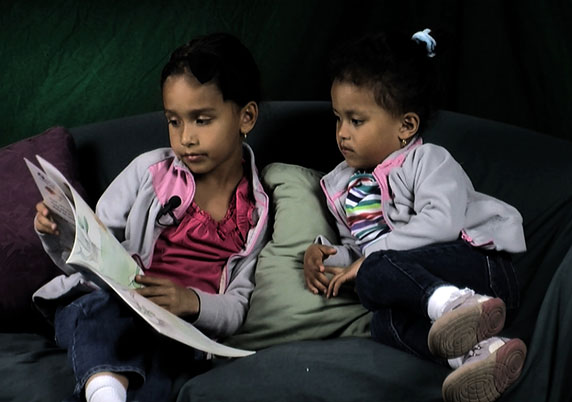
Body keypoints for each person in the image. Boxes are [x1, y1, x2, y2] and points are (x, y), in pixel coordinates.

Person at [33, 32, 268, 402]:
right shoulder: (150, 172)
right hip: (107, 306)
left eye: (202, 120)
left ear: (246, 117)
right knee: (102, 311)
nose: (185, 138)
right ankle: (105, 393)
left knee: (167, 363)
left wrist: (191, 301)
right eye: (174, 122)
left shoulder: (255, 211)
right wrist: (59, 231)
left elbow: (237, 306)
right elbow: (91, 251)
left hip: (178, 332)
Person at [303, 29, 527, 402]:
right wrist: (326, 255)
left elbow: (441, 223)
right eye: (338, 119)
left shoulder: (427, 161)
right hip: (419, 287)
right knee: (383, 322)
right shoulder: (343, 186)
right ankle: (481, 353)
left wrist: (371, 259)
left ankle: (461, 306)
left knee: (375, 270)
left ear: (406, 126)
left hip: (482, 270)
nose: (342, 134)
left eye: (356, 121)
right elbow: (360, 252)